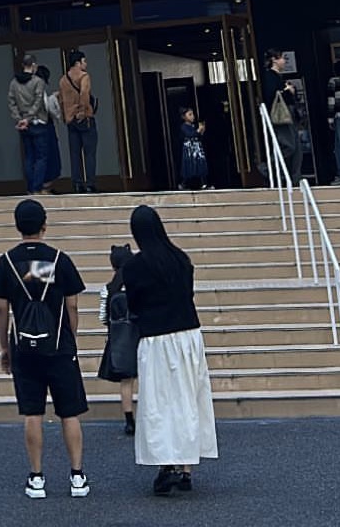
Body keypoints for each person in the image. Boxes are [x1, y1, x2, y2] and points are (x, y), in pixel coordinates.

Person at [0, 198, 91, 499]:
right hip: (58, 346)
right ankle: (77, 476)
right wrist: (71, 337)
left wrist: (5, 347)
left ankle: (36, 478)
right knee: (69, 413)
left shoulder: (6, 263)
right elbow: (72, 304)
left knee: (32, 412)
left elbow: (2, 310)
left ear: (18, 226)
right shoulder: (59, 260)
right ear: (45, 225)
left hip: (24, 348)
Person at [122, 205, 218, 495]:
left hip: (155, 339)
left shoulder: (134, 267)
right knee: (189, 397)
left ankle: (167, 465)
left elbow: (134, 306)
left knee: (160, 403)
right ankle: (186, 469)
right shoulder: (181, 259)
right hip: (189, 334)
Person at [96, 243, 137, 435]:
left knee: (126, 382)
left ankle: (129, 420)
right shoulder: (140, 285)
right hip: (142, 336)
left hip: (119, 339)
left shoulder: (109, 289)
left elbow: (103, 318)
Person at [8, 53, 50, 195]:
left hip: (23, 125)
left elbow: (11, 102)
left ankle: (29, 188)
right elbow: (38, 102)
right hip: (37, 122)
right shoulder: (38, 81)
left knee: (29, 156)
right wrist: (29, 117)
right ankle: (37, 187)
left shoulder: (14, 83)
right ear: (33, 65)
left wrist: (19, 119)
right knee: (41, 157)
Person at [59, 50, 98, 193]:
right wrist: (82, 110)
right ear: (78, 62)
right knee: (90, 152)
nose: (85, 64)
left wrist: (65, 116)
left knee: (74, 153)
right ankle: (90, 183)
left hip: (70, 120)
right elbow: (84, 93)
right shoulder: (84, 76)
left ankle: (77, 183)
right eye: (84, 61)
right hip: (85, 118)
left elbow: (61, 100)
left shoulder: (63, 80)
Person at [262, 50, 303, 184]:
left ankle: (295, 177)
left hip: (287, 113)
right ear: (274, 60)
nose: (284, 61)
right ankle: (269, 167)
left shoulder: (278, 76)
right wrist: (288, 91)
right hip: (281, 114)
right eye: (282, 58)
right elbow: (271, 95)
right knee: (289, 145)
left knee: (296, 147)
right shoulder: (270, 76)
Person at [35, 63, 63, 190]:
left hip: (36, 128)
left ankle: (41, 186)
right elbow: (48, 109)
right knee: (50, 158)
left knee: (41, 157)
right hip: (45, 128)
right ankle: (44, 186)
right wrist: (53, 98)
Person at [177, 108, 209, 191]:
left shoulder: (193, 126)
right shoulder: (184, 126)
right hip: (189, 150)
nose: (192, 116)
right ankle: (183, 184)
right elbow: (190, 134)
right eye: (190, 114)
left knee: (200, 164)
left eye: (193, 114)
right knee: (189, 166)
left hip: (197, 148)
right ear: (184, 117)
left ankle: (203, 183)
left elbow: (198, 136)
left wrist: (201, 131)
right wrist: (198, 130)